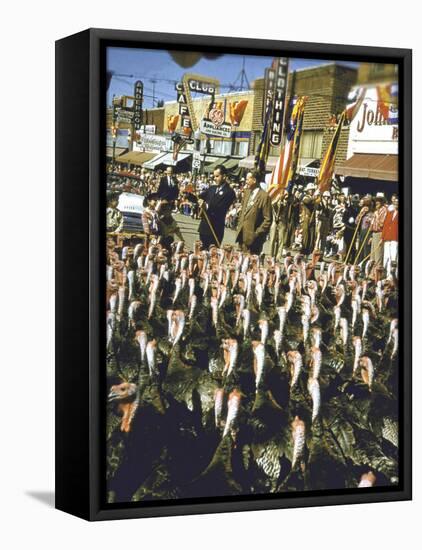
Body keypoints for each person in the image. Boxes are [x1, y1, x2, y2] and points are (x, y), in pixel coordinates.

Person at [198, 165, 236, 249]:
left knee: (213, 256)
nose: (214, 178)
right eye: (214, 176)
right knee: (201, 255)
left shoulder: (229, 192)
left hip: (215, 229)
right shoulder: (212, 188)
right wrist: (189, 194)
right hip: (204, 227)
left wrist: (206, 206)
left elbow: (220, 208)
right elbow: (200, 197)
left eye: (217, 176)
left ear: (224, 176)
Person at [235, 170, 272, 255]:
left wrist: (256, 233)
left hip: (254, 240)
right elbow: (243, 210)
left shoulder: (264, 196)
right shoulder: (247, 192)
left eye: (248, 180)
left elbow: (268, 219)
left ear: (254, 180)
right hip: (242, 236)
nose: (246, 182)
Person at [370, 194, 388, 267]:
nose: (376, 202)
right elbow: (373, 224)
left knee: (378, 254)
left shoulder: (384, 210)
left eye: (379, 200)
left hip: (379, 233)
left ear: (382, 202)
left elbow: (382, 224)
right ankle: (372, 272)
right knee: (373, 255)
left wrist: (376, 216)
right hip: (374, 233)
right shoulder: (377, 210)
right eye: (376, 200)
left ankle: (377, 273)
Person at [382, 194, 399, 268]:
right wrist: (382, 237)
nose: (396, 205)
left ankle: (392, 274)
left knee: (393, 256)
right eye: (395, 203)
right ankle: (385, 273)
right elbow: (385, 225)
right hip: (387, 237)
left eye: (397, 203)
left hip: (395, 238)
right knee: (386, 256)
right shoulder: (389, 213)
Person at [315, 190, 333, 256]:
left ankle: (321, 254)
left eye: (328, 197)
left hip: (326, 222)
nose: (327, 198)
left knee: (324, 238)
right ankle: (316, 250)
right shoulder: (320, 204)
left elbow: (330, 216)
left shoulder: (330, 205)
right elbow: (317, 213)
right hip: (321, 221)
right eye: (326, 197)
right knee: (318, 236)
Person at [301, 183, 317, 255]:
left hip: (312, 219)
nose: (312, 191)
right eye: (310, 190)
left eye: (313, 190)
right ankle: (303, 252)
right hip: (306, 218)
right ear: (307, 190)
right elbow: (307, 201)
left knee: (311, 237)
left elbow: (319, 207)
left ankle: (308, 253)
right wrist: (314, 198)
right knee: (306, 236)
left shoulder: (314, 199)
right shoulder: (306, 197)